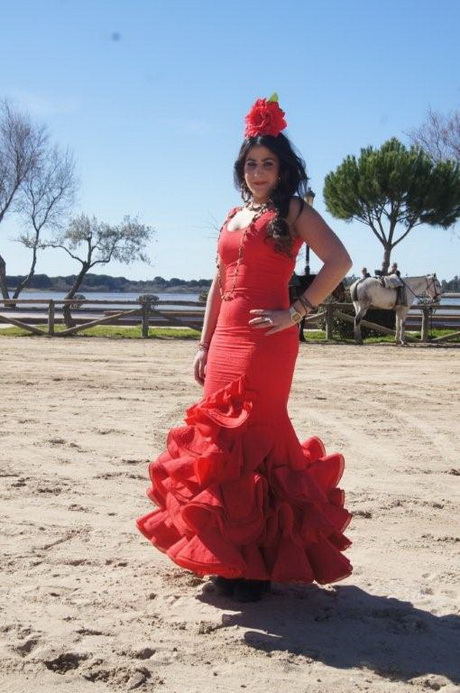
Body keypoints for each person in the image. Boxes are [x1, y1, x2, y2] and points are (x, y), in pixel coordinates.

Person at [137, 94, 353, 603]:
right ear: (242, 169)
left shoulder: (294, 210)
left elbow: (339, 261)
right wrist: (203, 342)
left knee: (255, 436)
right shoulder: (234, 215)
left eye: (268, 164)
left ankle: (255, 567)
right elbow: (217, 283)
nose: (259, 172)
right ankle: (225, 554)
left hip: (266, 340)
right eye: (251, 164)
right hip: (226, 339)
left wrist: (295, 313)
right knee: (217, 441)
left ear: (283, 169)